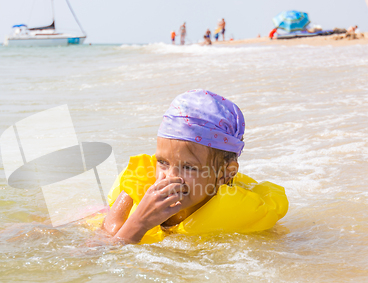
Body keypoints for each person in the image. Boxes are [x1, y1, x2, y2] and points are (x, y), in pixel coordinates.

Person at [101, 89, 288, 244]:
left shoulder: (250, 214)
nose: (169, 177)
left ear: (226, 173)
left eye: (188, 167)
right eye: (163, 162)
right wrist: (139, 222)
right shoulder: (138, 187)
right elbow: (97, 255)